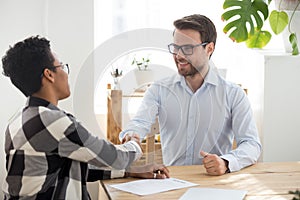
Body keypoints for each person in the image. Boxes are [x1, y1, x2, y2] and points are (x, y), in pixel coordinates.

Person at [1, 36, 169, 200]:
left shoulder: (17, 121)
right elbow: (112, 157)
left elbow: (73, 166)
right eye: (62, 67)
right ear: (49, 75)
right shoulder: (52, 121)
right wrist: (135, 144)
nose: (66, 74)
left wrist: (131, 172)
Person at [120, 14, 262, 176]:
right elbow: (139, 123)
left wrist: (226, 162)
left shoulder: (233, 94)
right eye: (176, 48)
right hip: (171, 181)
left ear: (209, 49)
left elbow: (251, 144)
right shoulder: (159, 89)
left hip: (215, 182)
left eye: (187, 48)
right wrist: (132, 135)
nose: (179, 56)